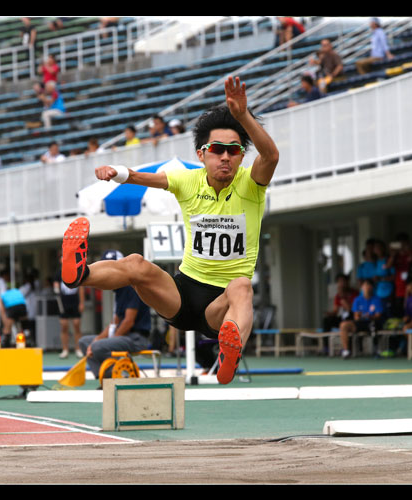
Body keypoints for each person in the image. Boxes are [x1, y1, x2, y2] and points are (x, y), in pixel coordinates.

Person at [61, 75, 279, 384]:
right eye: (217, 149)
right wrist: (116, 172)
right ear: (202, 154)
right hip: (182, 293)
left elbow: (270, 155)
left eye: (233, 150)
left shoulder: (251, 184)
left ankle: (229, 354)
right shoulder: (187, 180)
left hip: (222, 307)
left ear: (242, 155)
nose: (225, 156)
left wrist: (242, 115)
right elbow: (144, 178)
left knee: (242, 286)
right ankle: (80, 274)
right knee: (136, 264)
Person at [78, 250, 153, 380]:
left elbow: (128, 322)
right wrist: (97, 339)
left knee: (96, 346)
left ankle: (116, 374)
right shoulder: (119, 289)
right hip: (124, 337)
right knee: (85, 342)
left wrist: (105, 342)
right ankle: (104, 379)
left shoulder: (131, 287)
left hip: (136, 338)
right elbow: (115, 322)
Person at [338, 279, 384, 359]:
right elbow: (356, 316)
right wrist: (360, 316)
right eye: (364, 285)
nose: (366, 287)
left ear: (372, 287)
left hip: (372, 322)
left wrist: (369, 316)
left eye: (368, 285)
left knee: (374, 325)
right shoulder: (357, 299)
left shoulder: (377, 299)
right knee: (343, 325)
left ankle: (376, 350)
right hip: (360, 323)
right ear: (362, 287)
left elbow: (378, 315)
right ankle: (346, 351)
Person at [54, 257, 85, 359]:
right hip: (63, 303)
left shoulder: (75, 271)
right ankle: (65, 349)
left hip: (75, 302)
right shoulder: (58, 273)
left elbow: (80, 288)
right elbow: (56, 288)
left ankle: (78, 349)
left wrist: (81, 303)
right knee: (64, 326)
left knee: (76, 325)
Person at [387, 233, 412, 316]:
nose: (402, 245)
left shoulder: (410, 253)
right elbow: (388, 266)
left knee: (411, 308)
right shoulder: (396, 255)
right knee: (399, 309)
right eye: (400, 243)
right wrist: (393, 254)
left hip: (411, 286)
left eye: (404, 243)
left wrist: (408, 249)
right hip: (399, 287)